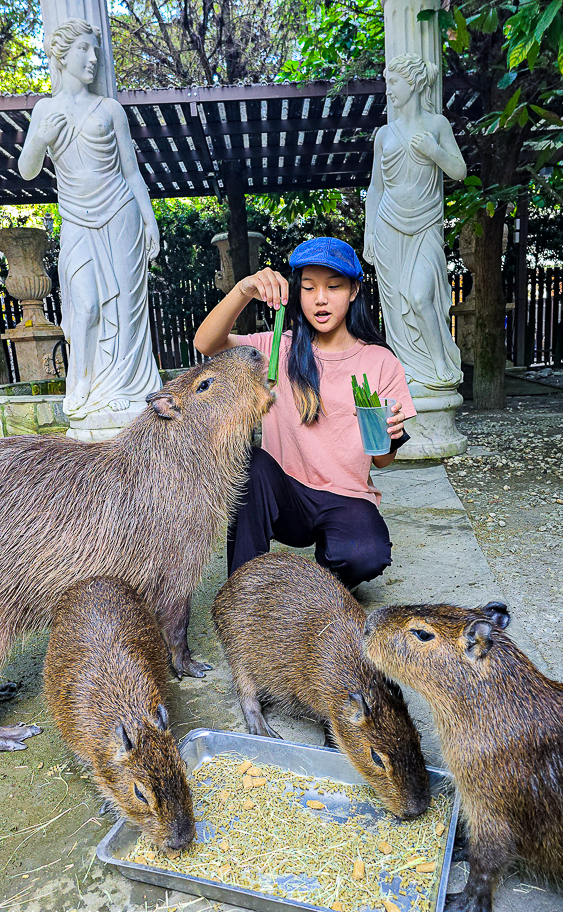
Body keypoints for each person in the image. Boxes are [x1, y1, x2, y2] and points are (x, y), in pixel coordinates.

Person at [194, 237, 416, 589]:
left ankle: (321, 575)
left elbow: (382, 462)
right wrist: (243, 289)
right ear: (297, 293)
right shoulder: (276, 347)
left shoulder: (380, 361)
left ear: (354, 291)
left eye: (334, 286)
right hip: (286, 496)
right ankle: (242, 594)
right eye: (309, 287)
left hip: (347, 496)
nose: (321, 298)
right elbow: (206, 343)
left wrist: (390, 436)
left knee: (368, 554)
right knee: (250, 463)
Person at [18, 18, 161, 421]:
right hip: (76, 219)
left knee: (127, 305)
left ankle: (121, 383)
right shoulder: (46, 109)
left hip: (120, 212)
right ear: (63, 55)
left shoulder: (110, 109)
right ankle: (80, 380)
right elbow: (27, 169)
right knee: (85, 306)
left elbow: (132, 173)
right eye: (85, 49)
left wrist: (150, 221)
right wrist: (41, 138)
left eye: (96, 51)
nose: (94, 58)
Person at [363, 53, 466, 390]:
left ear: (413, 83)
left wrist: (435, 151)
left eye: (393, 82)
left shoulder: (437, 125)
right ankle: (406, 367)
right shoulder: (384, 134)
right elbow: (376, 187)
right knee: (395, 307)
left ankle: (438, 362)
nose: (388, 89)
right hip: (388, 226)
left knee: (421, 296)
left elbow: (459, 171)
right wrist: (368, 236)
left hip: (425, 226)